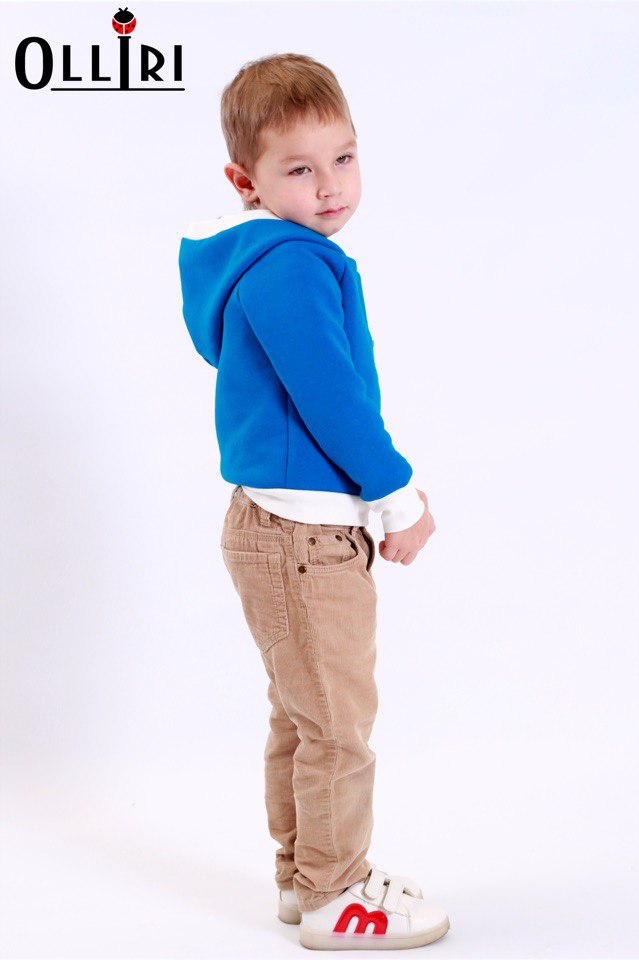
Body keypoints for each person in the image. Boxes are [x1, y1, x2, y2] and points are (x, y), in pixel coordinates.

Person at [178, 52, 450, 951]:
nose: (329, 186)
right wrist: (395, 494)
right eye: (299, 168)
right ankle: (336, 899)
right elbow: (331, 397)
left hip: (278, 524)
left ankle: (304, 878)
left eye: (343, 158)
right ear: (245, 181)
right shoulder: (290, 266)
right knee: (336, 724)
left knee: (303, 716)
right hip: (303, 533)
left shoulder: (262, 260)